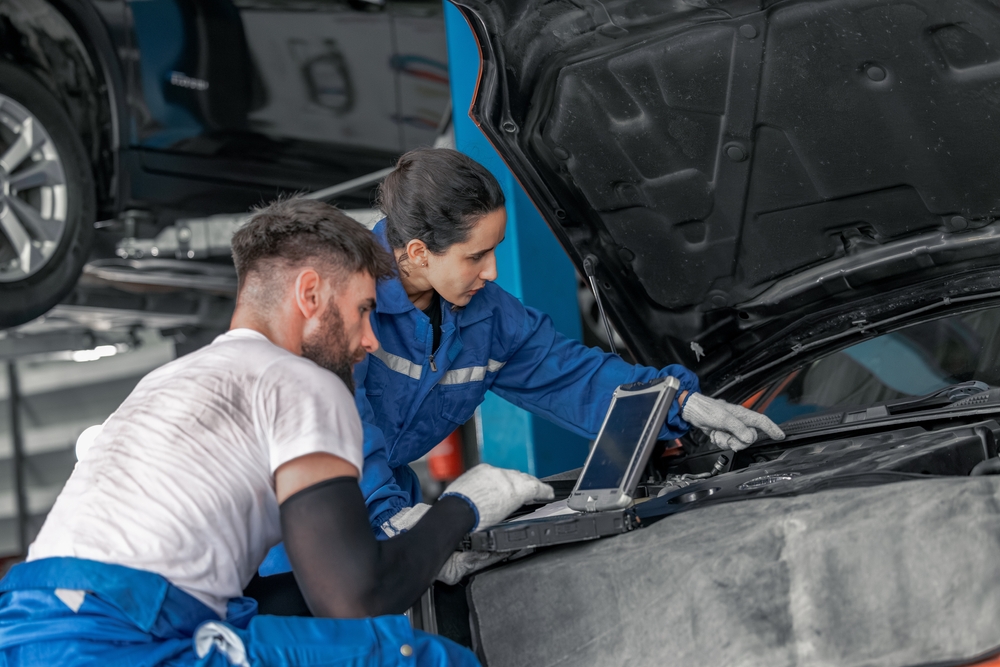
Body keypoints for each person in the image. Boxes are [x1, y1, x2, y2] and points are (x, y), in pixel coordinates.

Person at [0, 198, 553, 666]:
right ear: (310, 294)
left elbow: (283, 594)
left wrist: (416, 548)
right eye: (362, 310)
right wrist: (465, 506)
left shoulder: (167, 383)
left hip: (26, 631)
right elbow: (358, 599)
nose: (371, 340)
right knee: (423, 657)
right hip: (124, 637)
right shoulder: (299, 382)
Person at [260, 148, 785, 583]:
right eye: (475, 256)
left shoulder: (487, 318)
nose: (491, 272)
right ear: (418, 252)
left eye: (496, 251)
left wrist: (680, 403)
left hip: (387, 513)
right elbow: (341, 425)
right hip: (284, 529)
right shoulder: (344, 300)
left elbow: (574, 376)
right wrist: (394, 522)